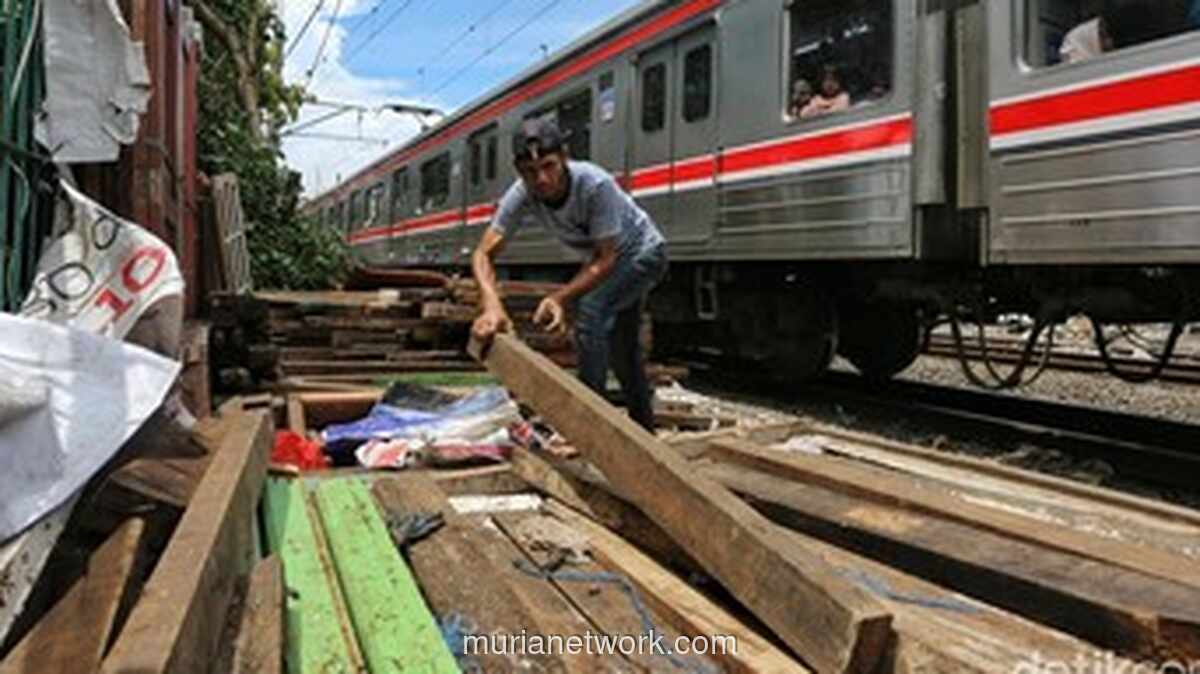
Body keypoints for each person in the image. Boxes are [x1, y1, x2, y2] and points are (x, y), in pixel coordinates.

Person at [470, 118, 668, 431]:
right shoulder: (522, 193)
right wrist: (492, 305)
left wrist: (561, 298)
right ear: (520, 171)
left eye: (549, 166)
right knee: (623, 352)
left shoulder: (595, 184)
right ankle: (646, 432)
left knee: (591, 313)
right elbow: (483, 254)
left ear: (564, 157)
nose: (542, 179)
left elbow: (606, 258)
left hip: (644, 255)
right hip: (613, 260)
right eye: (531, 173)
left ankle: (586, 428)